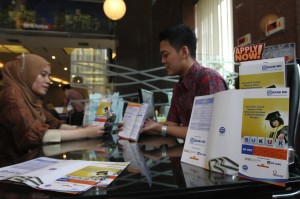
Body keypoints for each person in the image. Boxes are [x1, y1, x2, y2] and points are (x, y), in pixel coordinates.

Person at [0, 53, 104, 161]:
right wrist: (85, 133)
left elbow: (54, 123)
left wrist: (83, 129)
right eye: (43, 75)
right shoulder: (10, 94)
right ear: (26, 73)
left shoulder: (33, 98)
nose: (48, 80)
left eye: (48, 76)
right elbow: (32, 135)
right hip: (8, 167)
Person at [141, 24, 228, 139]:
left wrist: (160, 128)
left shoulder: (207, 78)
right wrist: (138, 127)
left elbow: (205, 133)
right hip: (189, 154)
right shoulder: (179, 87)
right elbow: (171, 126)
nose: (162, 61)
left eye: (165, 55)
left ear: (184, 52)